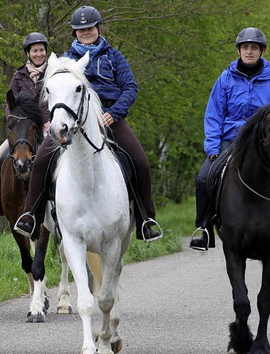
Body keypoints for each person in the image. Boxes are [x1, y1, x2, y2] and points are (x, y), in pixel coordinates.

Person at [14, 5, 163, 242]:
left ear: (98, 28)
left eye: (89, 28)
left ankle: (147, 219)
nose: (85, 32)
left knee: (141, 163)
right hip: (74, 122)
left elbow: (130, 87)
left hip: (108, 118)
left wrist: (115, 112)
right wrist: (52, 119)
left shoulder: (114, 56)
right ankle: (31, 216)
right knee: (42, 160)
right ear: (74, 33)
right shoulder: (65, 59)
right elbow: (49, 92)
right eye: (80, 29)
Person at [189, 27, 270, 251]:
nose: (249, 51)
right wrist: (212, 146)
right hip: (231, 139)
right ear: (239, 50)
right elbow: (214, 114)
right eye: (245, 47)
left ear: (261, 51)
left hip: (265, 141)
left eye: (254, 48)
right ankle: (203, 227)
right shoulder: (225, 78)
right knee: (204, 177)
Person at [0, 32, 51, 217]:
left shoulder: (53, 73)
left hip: (48, 128)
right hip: (23, 129)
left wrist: (48, 121)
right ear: (28, 53)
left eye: (41, 50)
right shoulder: (19, 76)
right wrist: (14, 120)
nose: (38, 54)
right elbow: (9, 103)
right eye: (34, 51)